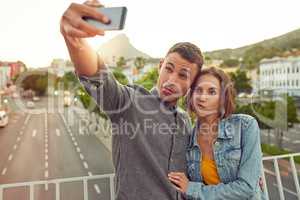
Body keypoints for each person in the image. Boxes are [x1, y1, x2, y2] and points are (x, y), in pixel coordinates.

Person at [60, 1, 204, 199]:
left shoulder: (185, 120)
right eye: (169, 69)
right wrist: (73, 38)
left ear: (192, 83)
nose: (171, 80)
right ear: (160, 66)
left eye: (183, 75)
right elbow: (97, 77)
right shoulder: (129, 103)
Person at [168, 67, 266, 199]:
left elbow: (247, 187)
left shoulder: (245, 126)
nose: (202, 97)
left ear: (223, 97)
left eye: (212, 91)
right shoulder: (189, 137)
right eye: (198, 90)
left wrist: (192, 189)